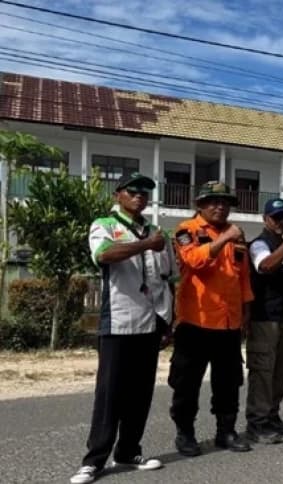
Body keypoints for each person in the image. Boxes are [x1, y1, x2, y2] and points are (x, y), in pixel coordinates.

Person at [71, 173, 173, 484]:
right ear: (119, 195)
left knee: (140, 393)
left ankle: (129, 450)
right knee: (110, 393)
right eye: (134, 190)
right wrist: (144, 245)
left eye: (145, 192)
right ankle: (94, 460)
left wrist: (169, 320)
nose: (140, 195)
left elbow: (167, 278)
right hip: (118, 321)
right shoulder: (104, 224)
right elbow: (103, 255)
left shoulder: (157, 232)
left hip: (150, 322)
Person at [169, 181, 254, 456]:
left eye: (225, 202)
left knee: (228, 381)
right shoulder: (186, 230)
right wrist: (225, 238)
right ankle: (185, 433)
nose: (220, 206)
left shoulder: (237, 237)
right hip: (196, 322)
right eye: (213, 201)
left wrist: (246, 316)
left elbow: (243, 279)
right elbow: (194, 261)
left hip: (229, 323)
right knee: (187, 382)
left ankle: (226, 432)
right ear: (200, 205)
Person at [245, 198, 283, 444]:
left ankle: (272, 416)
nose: (281, 222)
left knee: (282, 370)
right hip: (264, 319)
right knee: (263, 372)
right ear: (265, 219)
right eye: (276, 217)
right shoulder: (259, 244)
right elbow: (265, 265)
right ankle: (257, 424)